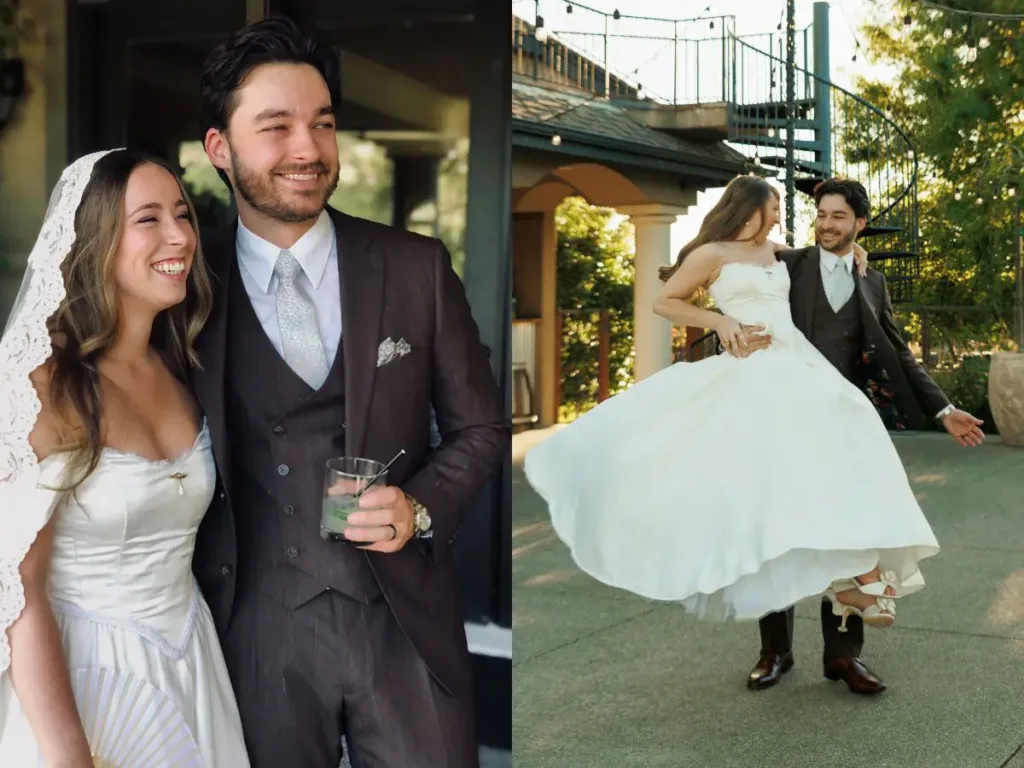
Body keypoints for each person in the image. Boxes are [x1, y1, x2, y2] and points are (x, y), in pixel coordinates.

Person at [191, 17, 508, 768]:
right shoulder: (186, 291)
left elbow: (482, 427)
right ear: (219, 150)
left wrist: (419, 504)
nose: (308, 149)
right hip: (253, 630)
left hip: (402, 622)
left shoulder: (414, 267)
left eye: (323, 124)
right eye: (277, 127)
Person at [523, 174, 942, 693]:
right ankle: (791, 638)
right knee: (769, 501)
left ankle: (857, 585)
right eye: (776, 205)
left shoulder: (778, 252)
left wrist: (859, 259)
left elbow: (827, 256)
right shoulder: (711, 252)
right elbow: (665, 301)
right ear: (753, 207)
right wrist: (719, 323)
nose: (783, 213)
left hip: (801, 368)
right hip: (755, 375)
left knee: (842, 463)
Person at [0, 149, 250, 766]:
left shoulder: (180, 366)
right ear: (97, 242)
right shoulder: (40, 385)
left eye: (183, 214)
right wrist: (68, 756)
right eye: (148, 219)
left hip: (192, 663)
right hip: (90, 683)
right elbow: (17, 592)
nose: (179, 237)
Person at [726, 178, 983, 695]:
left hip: (842, 423)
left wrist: (945, 408)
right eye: (820, 214)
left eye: (838, 217)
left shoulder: (873, 281)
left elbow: (897, 350)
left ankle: (843, 658)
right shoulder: (785, 264)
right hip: (782, 417)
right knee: (778, 531)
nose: (825, 224)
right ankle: (774, 651)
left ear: (859, 224)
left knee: (850, 529)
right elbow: (717, 254)